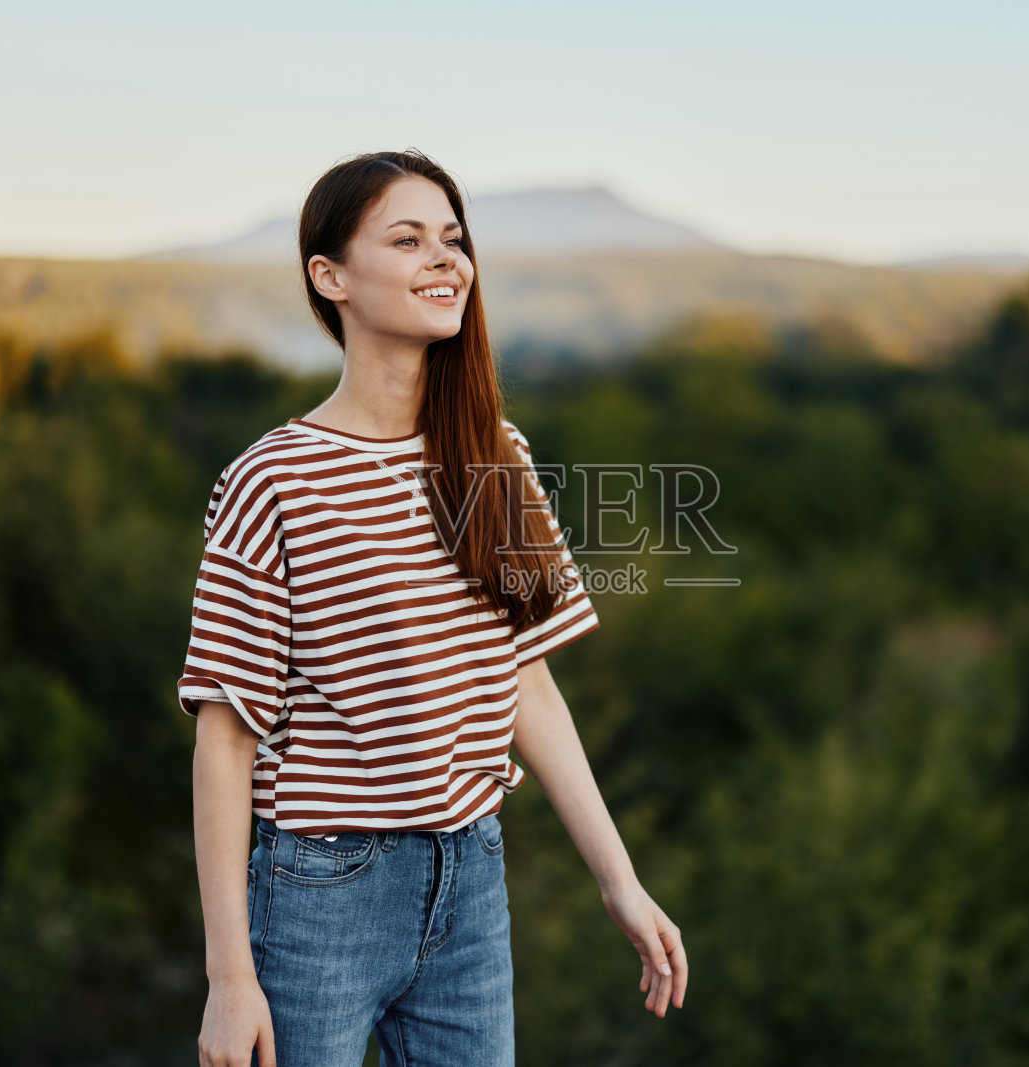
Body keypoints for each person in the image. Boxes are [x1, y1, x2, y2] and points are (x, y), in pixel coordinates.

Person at [178, 149, 687, 1067]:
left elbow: (524, 682)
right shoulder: (274, 481)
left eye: (454, 239)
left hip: (470, 881)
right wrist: (230, 977)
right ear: (329, 277)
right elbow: (225, 734)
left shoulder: (495, 456)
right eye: (408, 238)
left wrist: (621, 880)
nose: (445, 259)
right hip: (318, 893)